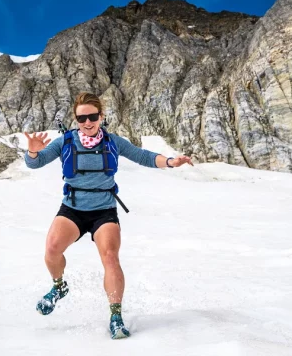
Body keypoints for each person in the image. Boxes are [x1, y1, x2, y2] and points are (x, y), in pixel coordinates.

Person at [23, 92, 193, 340]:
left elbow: (142, 156)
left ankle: (116, 316)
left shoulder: (113, 141)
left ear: (101, 116)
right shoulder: (66, 142)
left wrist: (170, 161)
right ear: (76, 119)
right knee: (51, 249)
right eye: (82, 118)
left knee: (110, 257)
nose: (88, 122)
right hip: (72, 208)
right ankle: (59, 287)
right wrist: (34, 153)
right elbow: (35, 164)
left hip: (104, 210)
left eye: (93, 116)